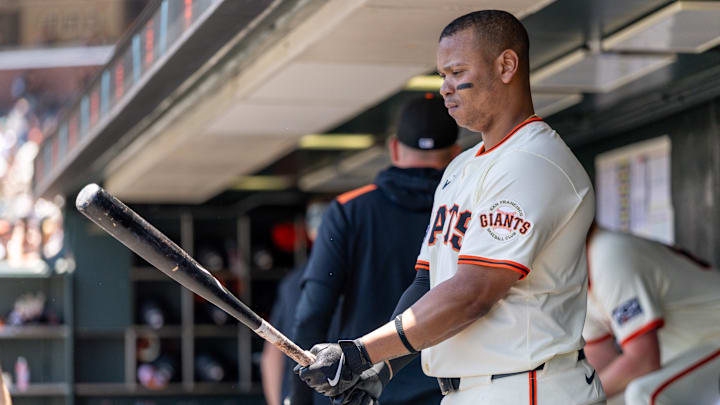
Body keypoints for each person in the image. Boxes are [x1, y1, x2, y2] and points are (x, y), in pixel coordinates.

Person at [295, 10, 605, 405]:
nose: (446, 88)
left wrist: (361, 352)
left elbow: (472, 293)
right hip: (470, 389)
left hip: (528, 387)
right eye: (442, 75)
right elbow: (427, 285)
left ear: (506, 65)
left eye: (457, 72)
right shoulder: (460, 166)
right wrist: (383, 367)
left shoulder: (533, 161)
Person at [288, 95, 460, 405]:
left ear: (394, 148)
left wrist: (299, 399)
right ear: (456, 154)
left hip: (364, 392)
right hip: (451, 392)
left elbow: (312, 314)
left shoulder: (349, 210)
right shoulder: (463, 210)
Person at [583, 225, 720, 405]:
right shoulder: (576, 277)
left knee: (642, 394)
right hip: (693, 355)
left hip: (714, 337)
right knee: (606, 399)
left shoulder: (608, 255)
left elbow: (644, 362)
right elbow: (600, 361)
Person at [261, 201, 328, 405]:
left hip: (299, 396)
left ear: (310, 233)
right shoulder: (363, 276)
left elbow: (271, 354)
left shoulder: (293, 281)